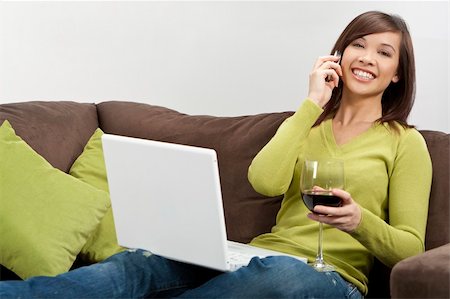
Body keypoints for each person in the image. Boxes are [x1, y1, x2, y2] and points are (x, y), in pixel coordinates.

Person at [0, 10, 432, 298]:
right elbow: (264, 180)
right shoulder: (307, 122)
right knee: (143, 263)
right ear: (339, 54)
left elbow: (411, 250)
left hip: (330, 279)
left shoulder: (404, 143)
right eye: (359, 45)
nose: (367, 58)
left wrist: (360, 221)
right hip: (260, 254)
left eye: (384, 52)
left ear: (397, 74)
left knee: (279, 278)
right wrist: (312, 104)